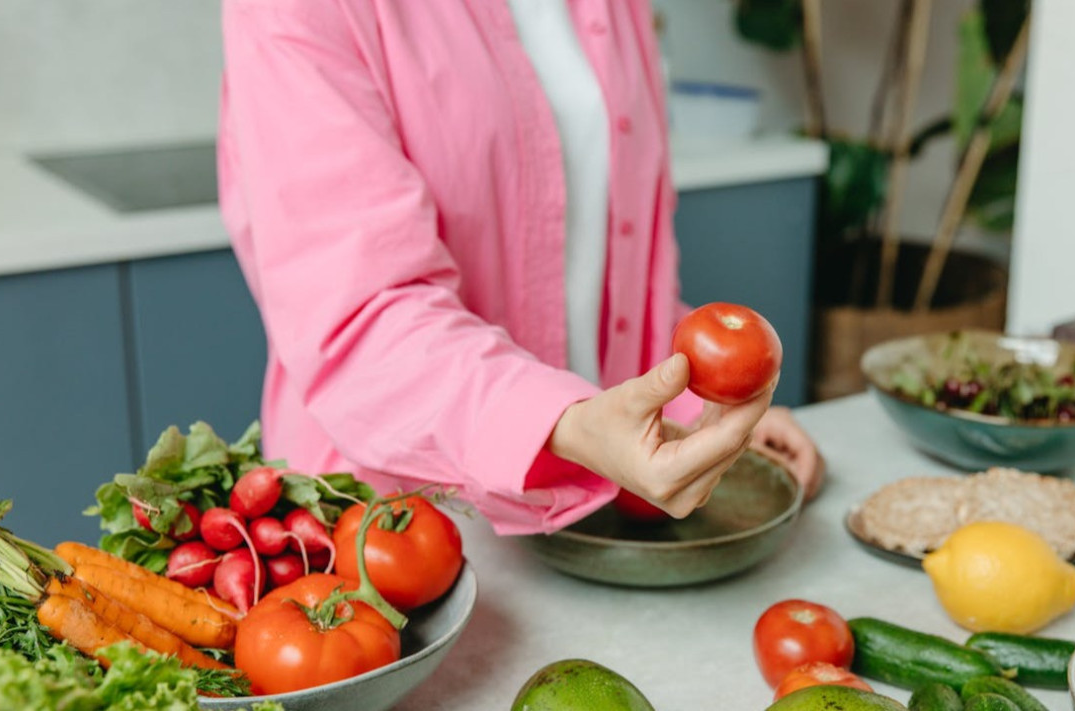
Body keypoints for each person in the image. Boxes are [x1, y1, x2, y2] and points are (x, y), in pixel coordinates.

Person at [217, 0, 824, 535]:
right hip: (390, 533)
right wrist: (570, 426)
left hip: (583, 521)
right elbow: (362, 316)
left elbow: (601, 266)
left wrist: (697, 405)